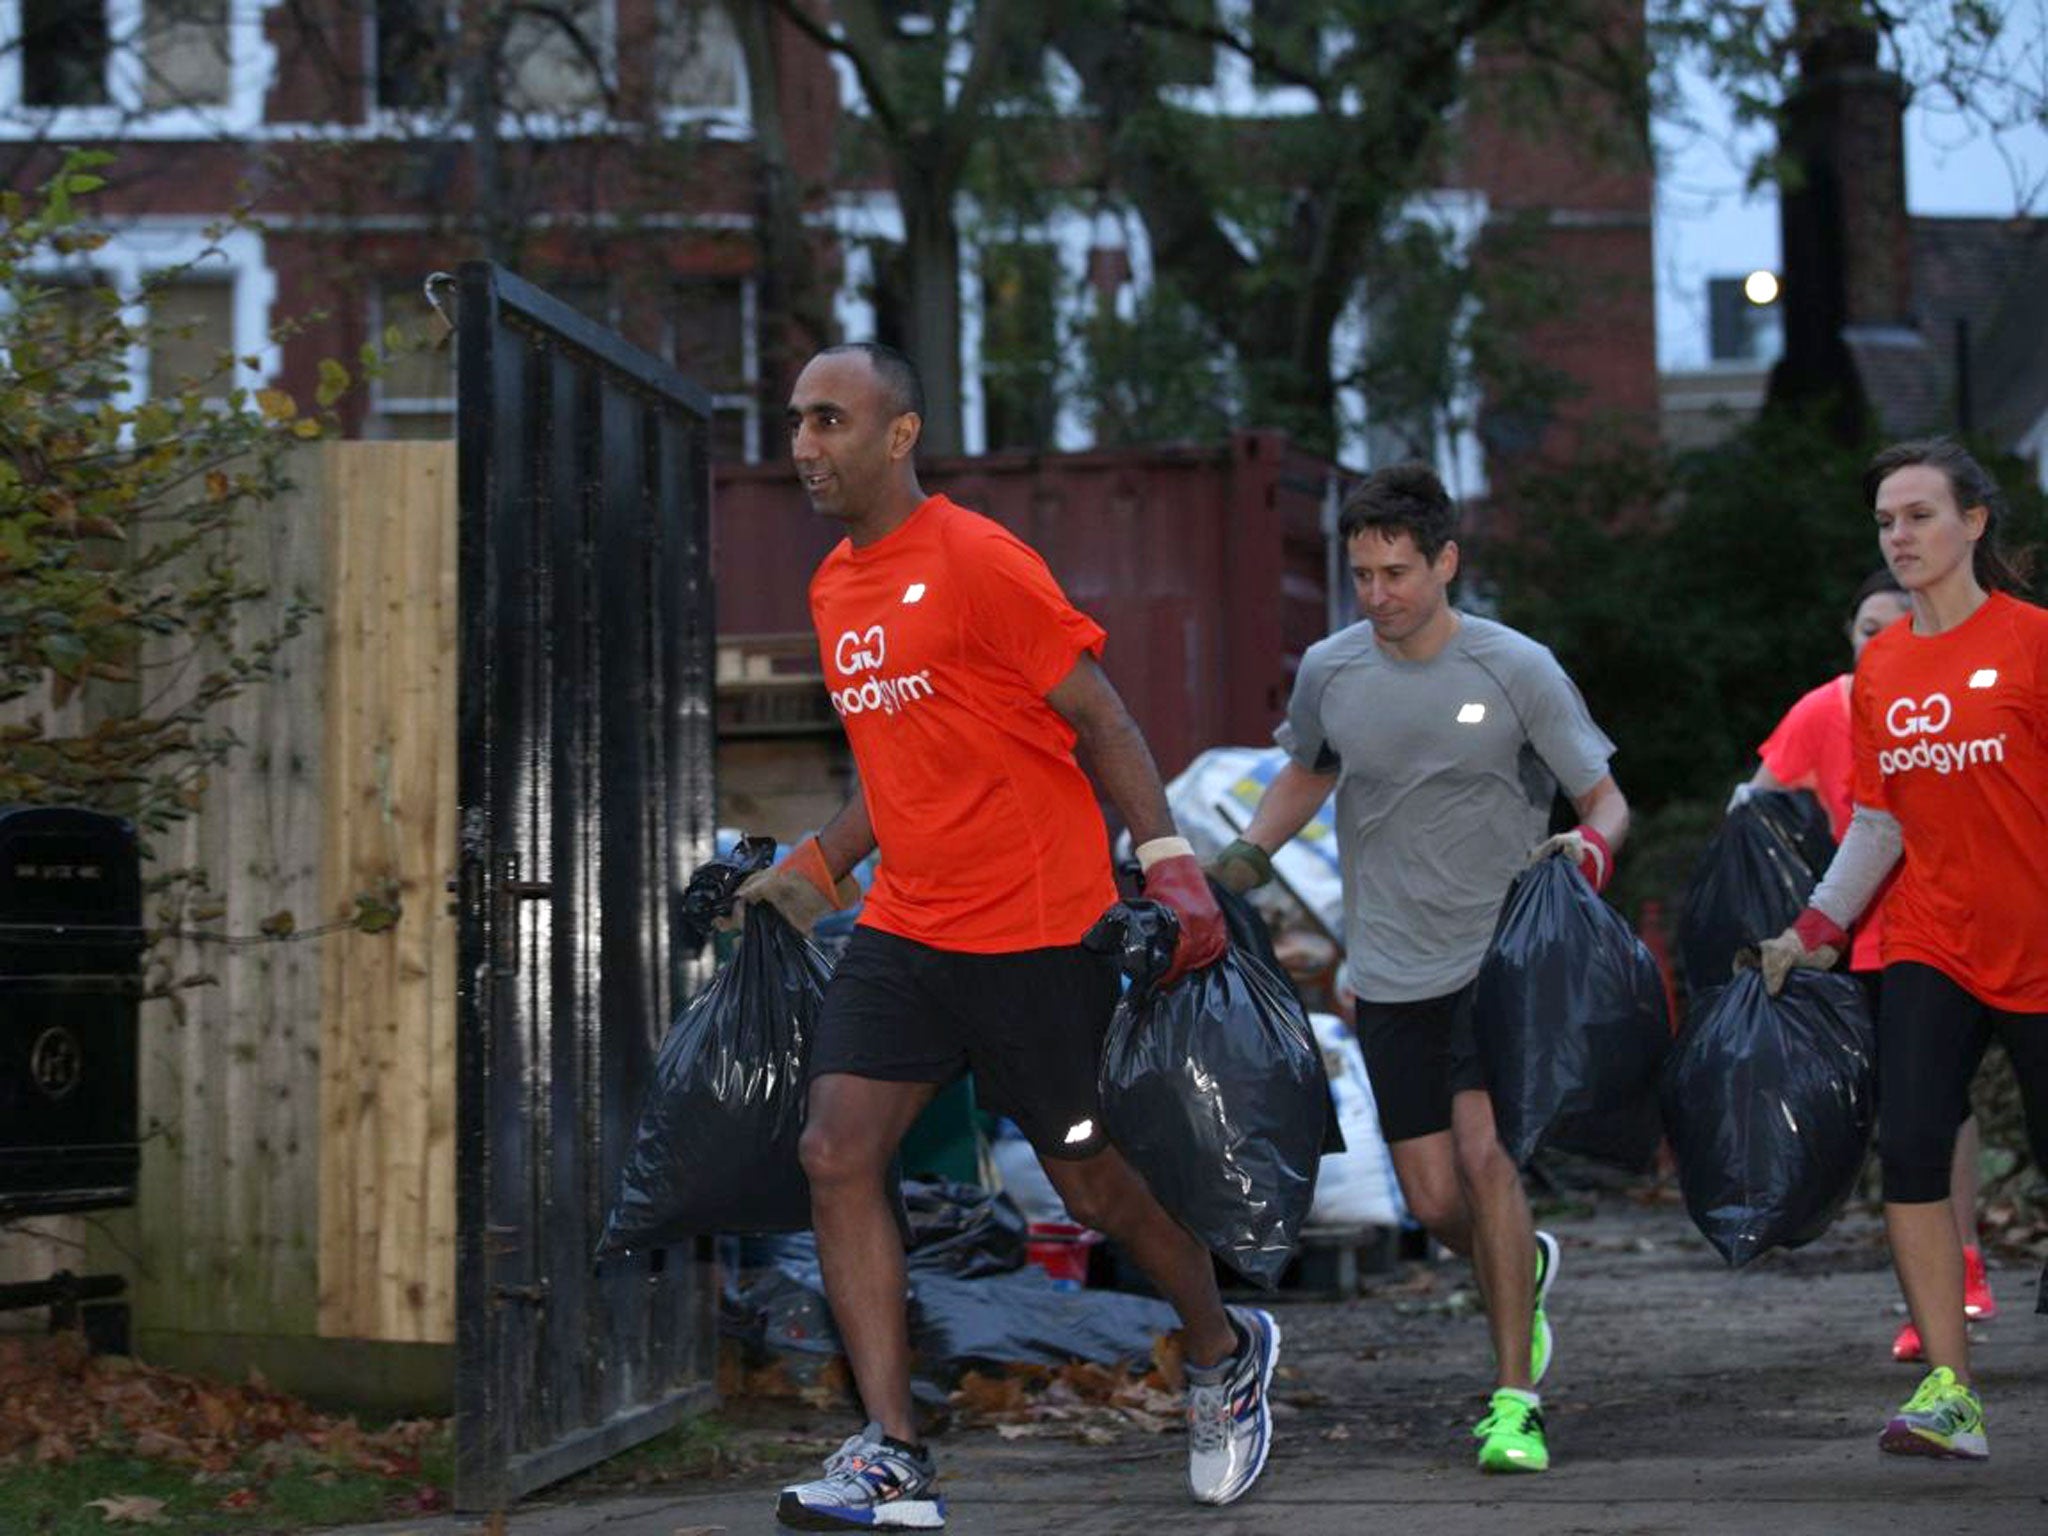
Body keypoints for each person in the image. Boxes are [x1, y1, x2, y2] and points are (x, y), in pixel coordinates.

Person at [743, 342, 1278, 1531]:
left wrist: (1171, 864)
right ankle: (892, 1454)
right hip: (907, 930)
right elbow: (899, 761)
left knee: (1095, 1193)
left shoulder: (981, 561)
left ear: (899, 435)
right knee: (834, 1152)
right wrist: (819, 864)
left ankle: (1220, 1347)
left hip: (1039, 932)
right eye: (793, 422)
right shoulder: (835, 586)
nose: (802, 446)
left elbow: (1099, 715)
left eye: (829, 422)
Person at [1210, 463, 1629, 1475]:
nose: (1377, 595)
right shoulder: (1330, 671)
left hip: (1499, 962)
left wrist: (1587, 852)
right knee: (1436, 1200)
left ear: (1445, 562)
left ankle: (1511, 1403)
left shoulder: (1515, 667)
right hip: (1389, 972)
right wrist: (1236, 863)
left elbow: (1603, 797)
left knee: (1488, 1164)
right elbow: (1306, 771)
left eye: (1395, 572)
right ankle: (1516, 1271)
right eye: (1360, 575)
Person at [1757, 438, 2048, 1462]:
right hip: (1929, 940)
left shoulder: (2031, 643)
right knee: (1913, 1148)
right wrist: (1813, 926)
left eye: (1918, 515)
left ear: (1972, 522)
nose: (1899, 535)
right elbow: (1877, 824)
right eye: (1885, 521)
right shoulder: (1880, 665)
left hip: (2039, 944)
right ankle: (1948, 1393)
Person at [1737, 569, 1998, 1362]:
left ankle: (1965, 1267)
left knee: (1951, 1106)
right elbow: (1756, 806)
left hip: (1998, 928)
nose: (1881, 640)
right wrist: (1790, 913)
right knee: (1925, 1112)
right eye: (1866, 630)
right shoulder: (1826, 708)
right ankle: (1951, 1291)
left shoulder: (1979, 682)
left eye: (1897, 623)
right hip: (1882, 939)